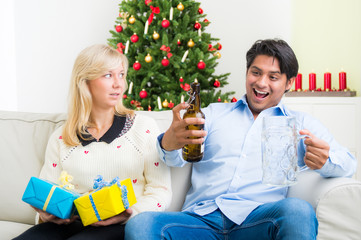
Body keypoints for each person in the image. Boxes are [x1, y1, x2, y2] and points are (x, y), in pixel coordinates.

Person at [125, 39, 357, 240]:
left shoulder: (301, 123)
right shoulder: (213, 114)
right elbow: (175, 160)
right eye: (255, 72)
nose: (261, 83)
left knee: (297, 210)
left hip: (258, 221)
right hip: (200, 222)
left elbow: (349, 164)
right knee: (141, 223)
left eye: (273, 77)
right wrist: (169, 142)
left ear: (289, 83)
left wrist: (326, 161)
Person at [14, 44, 172, 240]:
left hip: (120, 225)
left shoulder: (144, 128)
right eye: (108, 75)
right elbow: (49, 189)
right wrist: (45, 214)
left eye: (121, 75)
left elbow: (161, 191)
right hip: (67, 224)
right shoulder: (62, 137)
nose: (119, 84)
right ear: (85, 82)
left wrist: (130, 213)